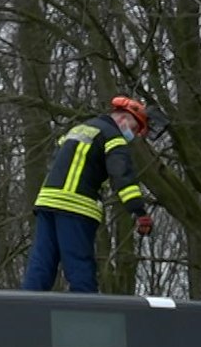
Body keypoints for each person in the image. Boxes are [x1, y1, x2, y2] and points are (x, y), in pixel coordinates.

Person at [21, 96, 155, 294]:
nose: (133, 135)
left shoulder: (78, 129)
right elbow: (122, 177)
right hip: (76, 206)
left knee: (41, 264)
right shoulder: (113, 137)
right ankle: (86, 319)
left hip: (47, 202)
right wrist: (139, 212)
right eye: (134, 128)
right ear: (123, 119)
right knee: (80, 267)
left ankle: (26, 314)